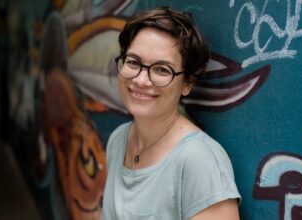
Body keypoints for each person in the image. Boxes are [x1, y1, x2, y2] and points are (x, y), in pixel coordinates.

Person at [103, 6, 241, 220]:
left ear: (187, 83)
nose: (140, 80)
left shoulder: (199, 161)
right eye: (133, 62)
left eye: (162, 69)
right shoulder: (118, 140)